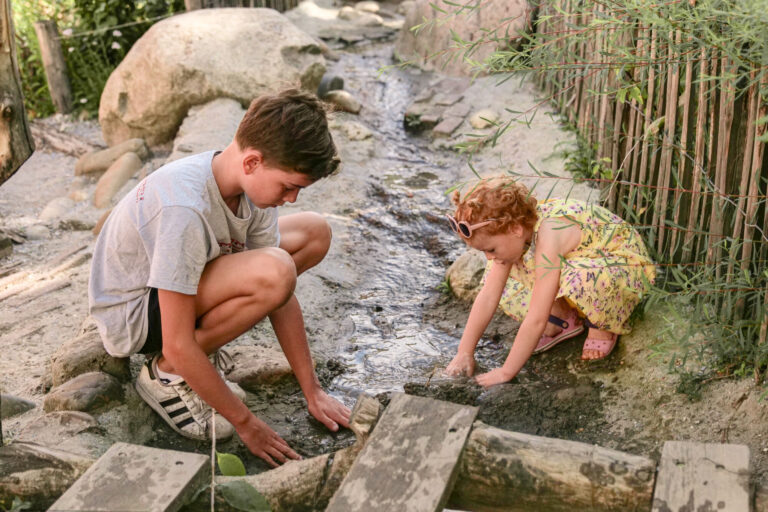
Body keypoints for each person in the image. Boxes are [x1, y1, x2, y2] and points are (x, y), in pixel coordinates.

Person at [88, 89, 350, 467]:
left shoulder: (248, 188)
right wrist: (246, 423)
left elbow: (283, 294)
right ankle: (165, 376)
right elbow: (180, 341)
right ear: (253, 161)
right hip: (133, 313)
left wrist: (313, 390)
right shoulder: (186, 207)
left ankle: (202, 347)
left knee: (314, 232)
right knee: (273, 271)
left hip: (184, 279)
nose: (291, 199)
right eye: (288, 186)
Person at [443, 176, 655, 387]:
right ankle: (564, 317)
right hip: (577, 260)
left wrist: (506, 372)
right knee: (499, 277)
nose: (489, 256)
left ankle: (601, 323)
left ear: (514, 230)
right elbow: (489, 296)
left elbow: (536, 318)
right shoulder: (516, 234)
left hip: (622, 267)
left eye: (490, 249)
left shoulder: (550, 233)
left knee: (582, 279)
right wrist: (464, 352)